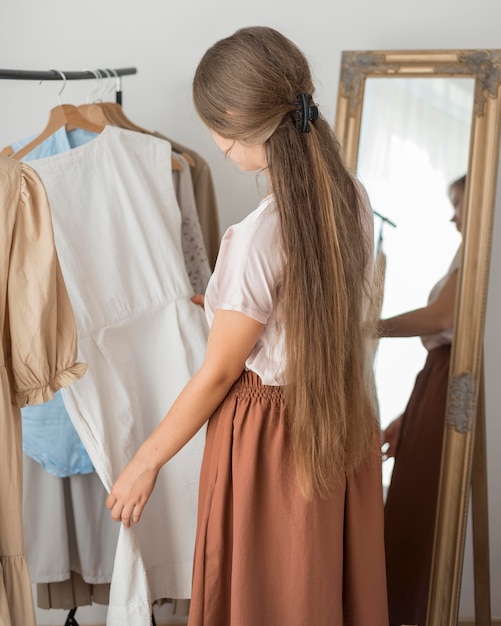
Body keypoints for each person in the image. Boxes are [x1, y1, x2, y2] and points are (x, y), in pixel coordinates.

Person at [106, 26, 389, 626]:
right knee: (317, 585)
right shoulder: (353, 198)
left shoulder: (257, 235)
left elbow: (218, 375)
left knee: (267, 594)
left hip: (271, 437)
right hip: (337, 411)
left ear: (235, 117)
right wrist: (215, 304)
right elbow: (310, 310)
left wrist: (144, 462)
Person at [379, 175, 466, 626]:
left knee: (422, 506)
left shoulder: (478, 251)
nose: (453, 215)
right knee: (412, 500)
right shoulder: (464, 253)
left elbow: (442, 317)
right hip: (435, 379)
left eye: (458, 202)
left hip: (451, 378)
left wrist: (371, 328)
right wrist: (406, 417)